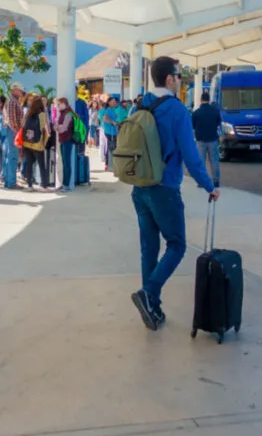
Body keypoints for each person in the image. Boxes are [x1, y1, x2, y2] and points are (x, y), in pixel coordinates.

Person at [130, 56, 220, 331]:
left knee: (149, 248)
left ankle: (152, 306)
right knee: (177, 245)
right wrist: (210, 185)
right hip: (165, 188)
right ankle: (149, 294)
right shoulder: (177, 110)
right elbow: (192, 157)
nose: (181, 80)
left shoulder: (141, 103)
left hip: (140, 187)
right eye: (179, 76)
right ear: (169, 79)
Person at [191, 91, 222, 188]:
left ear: (201, 100)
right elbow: (218, 122)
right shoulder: (215, 111)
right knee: (214, 161)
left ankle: (202, 182)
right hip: (213, 138)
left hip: (201, 140)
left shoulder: (196, 113)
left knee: (201, 161)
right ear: (209, 100)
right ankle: (216, 181)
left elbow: (193, 125)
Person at [21, 95, 50, 191]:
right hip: (37, 143)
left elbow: (22, 126)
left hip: (26, 143)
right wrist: (45, 142)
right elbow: (45, 129)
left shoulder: (27, 114)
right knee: (42, 165)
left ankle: (29, 185)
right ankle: (43, 185)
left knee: (29, 164)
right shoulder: (42, 115)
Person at [2, 83, 25, 189]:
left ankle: (9, 181)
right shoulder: (12, 101)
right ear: (14, 90)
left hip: (12, 131)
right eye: (19, 90)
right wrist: (17, 132)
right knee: (12, 156)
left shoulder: (13, 101)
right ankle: (11, 182)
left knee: (10, 156)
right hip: (13, 131)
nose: (21, 92)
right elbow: (11, 119)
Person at [53, 97, 77, 192]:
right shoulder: (62, 114)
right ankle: (64, 184)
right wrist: (59, 127)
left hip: (67, 140)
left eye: (59, 104)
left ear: (64, 103)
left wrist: (58, 127)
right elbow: (57, 127)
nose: (57, 106)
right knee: (64, 162)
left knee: (67, 163)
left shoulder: (68, 114)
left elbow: (62, 128)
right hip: (62, 140)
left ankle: (66, 185)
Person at [100, 97, 123, 168]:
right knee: (111, 148)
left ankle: (111, 164)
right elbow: (105, 118)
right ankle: (109, 164)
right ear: (108, 102)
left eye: (115, 101)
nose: (114, 102)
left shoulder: (112, 110)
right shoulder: (108, 110)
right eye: (112, 101)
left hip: (113, 132)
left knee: (112, 147)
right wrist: (113, 122)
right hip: (110, 132)